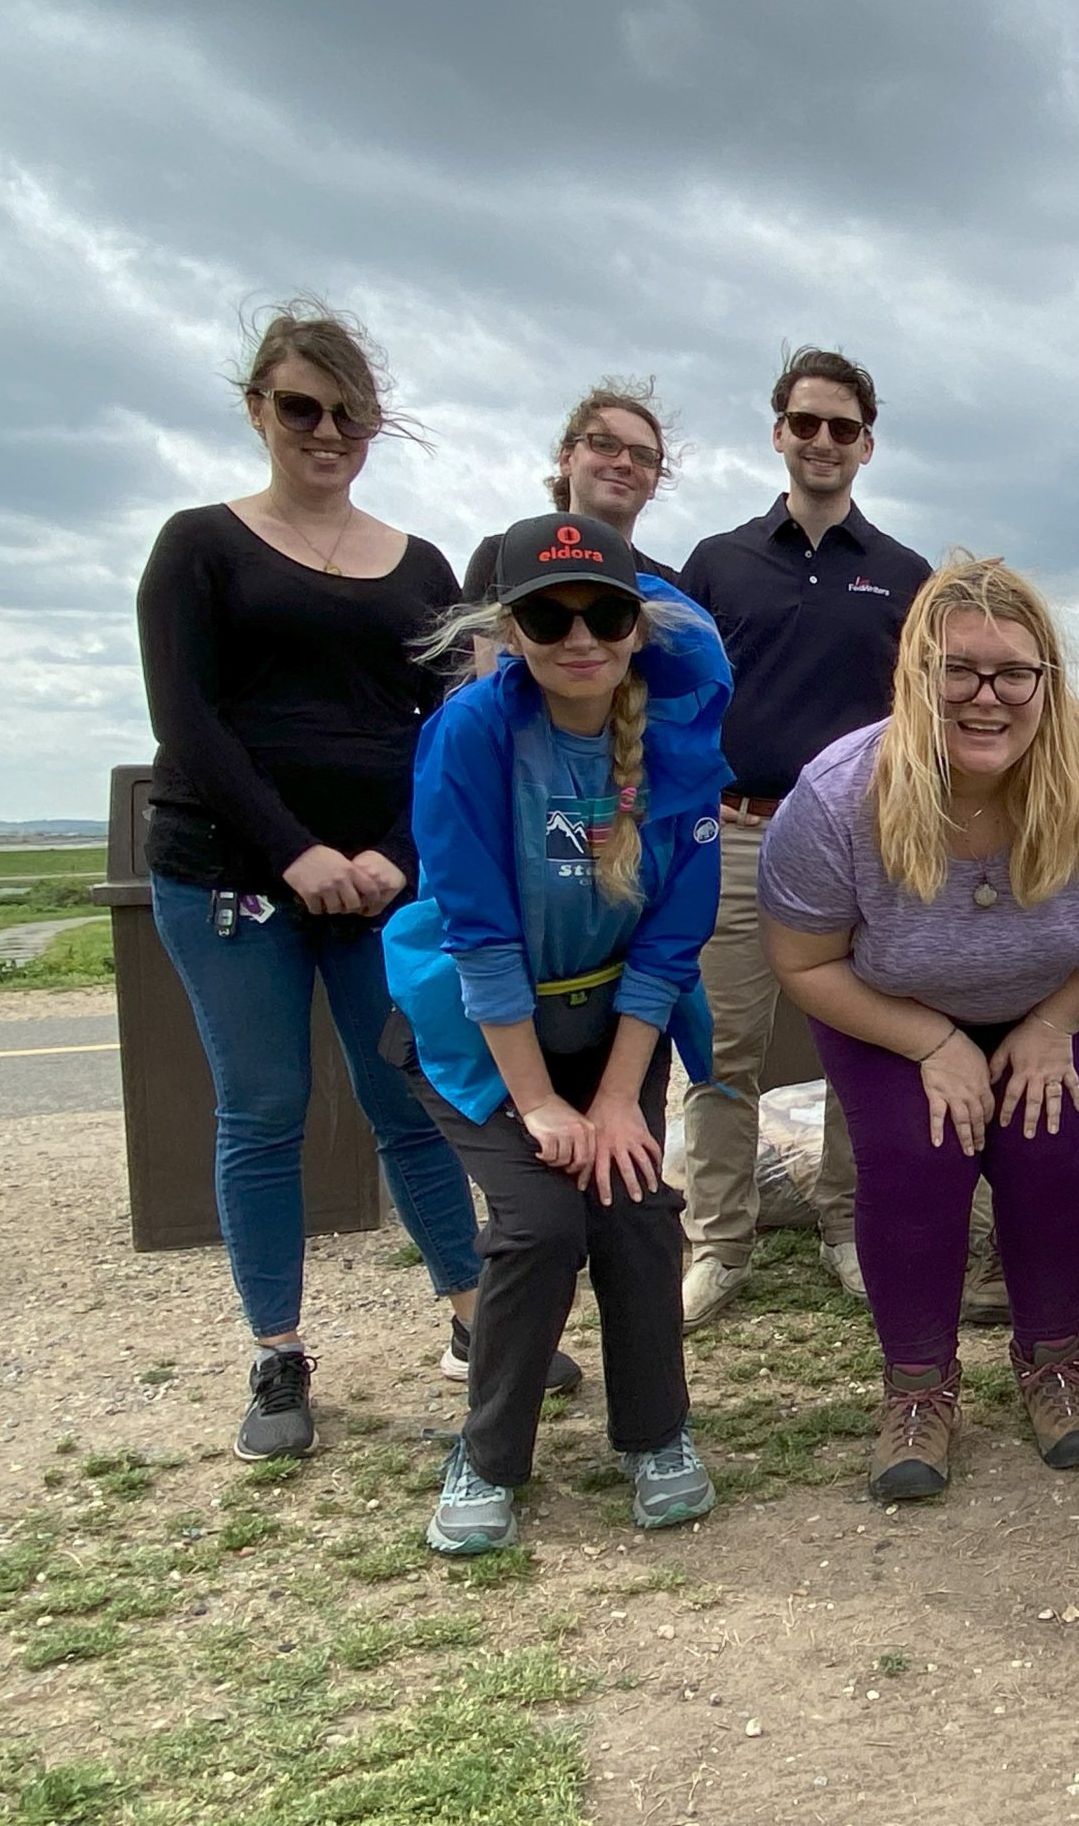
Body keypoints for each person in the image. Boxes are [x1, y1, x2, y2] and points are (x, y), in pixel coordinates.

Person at [136, 299, 502, 1462]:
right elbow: (186, 719)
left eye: (352, 413)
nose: (327, 431)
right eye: (303, 407)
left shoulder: (421, 567)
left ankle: (476, 1321)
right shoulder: (199, 545)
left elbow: (450, 725)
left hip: (379, 883)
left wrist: (394, 854)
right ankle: (278, 1354)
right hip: (230, 875)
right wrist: (294, 851)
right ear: (259, 409)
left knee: (410, 1103)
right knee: (264, 1111)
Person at [760, 555, 1079, 1502]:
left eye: (1014, 673)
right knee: (917, 1161)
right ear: (915, 677)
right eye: (959, 670)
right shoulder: (839, 797)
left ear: (1048, 681)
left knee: (1050, 1154)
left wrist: (1057, 1020)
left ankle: (1055, 1368)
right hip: (887, 1009)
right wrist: (933, 1043)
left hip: (1047, 1004)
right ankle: (916, 1388)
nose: (987, 697)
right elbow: (804, 962)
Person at [385, 513, 730, 1554]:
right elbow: (479, 933)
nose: (577, 638)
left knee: (632, 1207)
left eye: (603, 614)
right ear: (510, 626)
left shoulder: (678, 737)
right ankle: (486, 1456)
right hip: (487, 1039)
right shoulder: (472, 735)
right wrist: (539, 1104)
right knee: (539, 1224)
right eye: (547, 615)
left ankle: (656, 1434)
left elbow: (673, 942)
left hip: (615, 1025)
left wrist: (620, 1098)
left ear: (636, 626)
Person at [676, 348, 932, 1319]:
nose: (823, 441)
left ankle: (846, 1227)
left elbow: (922, 719)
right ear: (779, 434)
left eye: (842, 427)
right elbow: (674, 705)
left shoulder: (903, 575)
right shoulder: (718, 562)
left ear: (866, 445)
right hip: (735, 832)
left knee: (858, 1047)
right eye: (805, 423)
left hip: (858, 840)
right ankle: (718, 1245)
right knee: (721, 1051)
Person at [463, 381, 680, 609]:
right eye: (604, 444)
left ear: (655, 481)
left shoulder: (673, 589)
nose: (624, 463)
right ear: (566, 459)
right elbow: (483, 645)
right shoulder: (502, 557)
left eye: (643, 456)